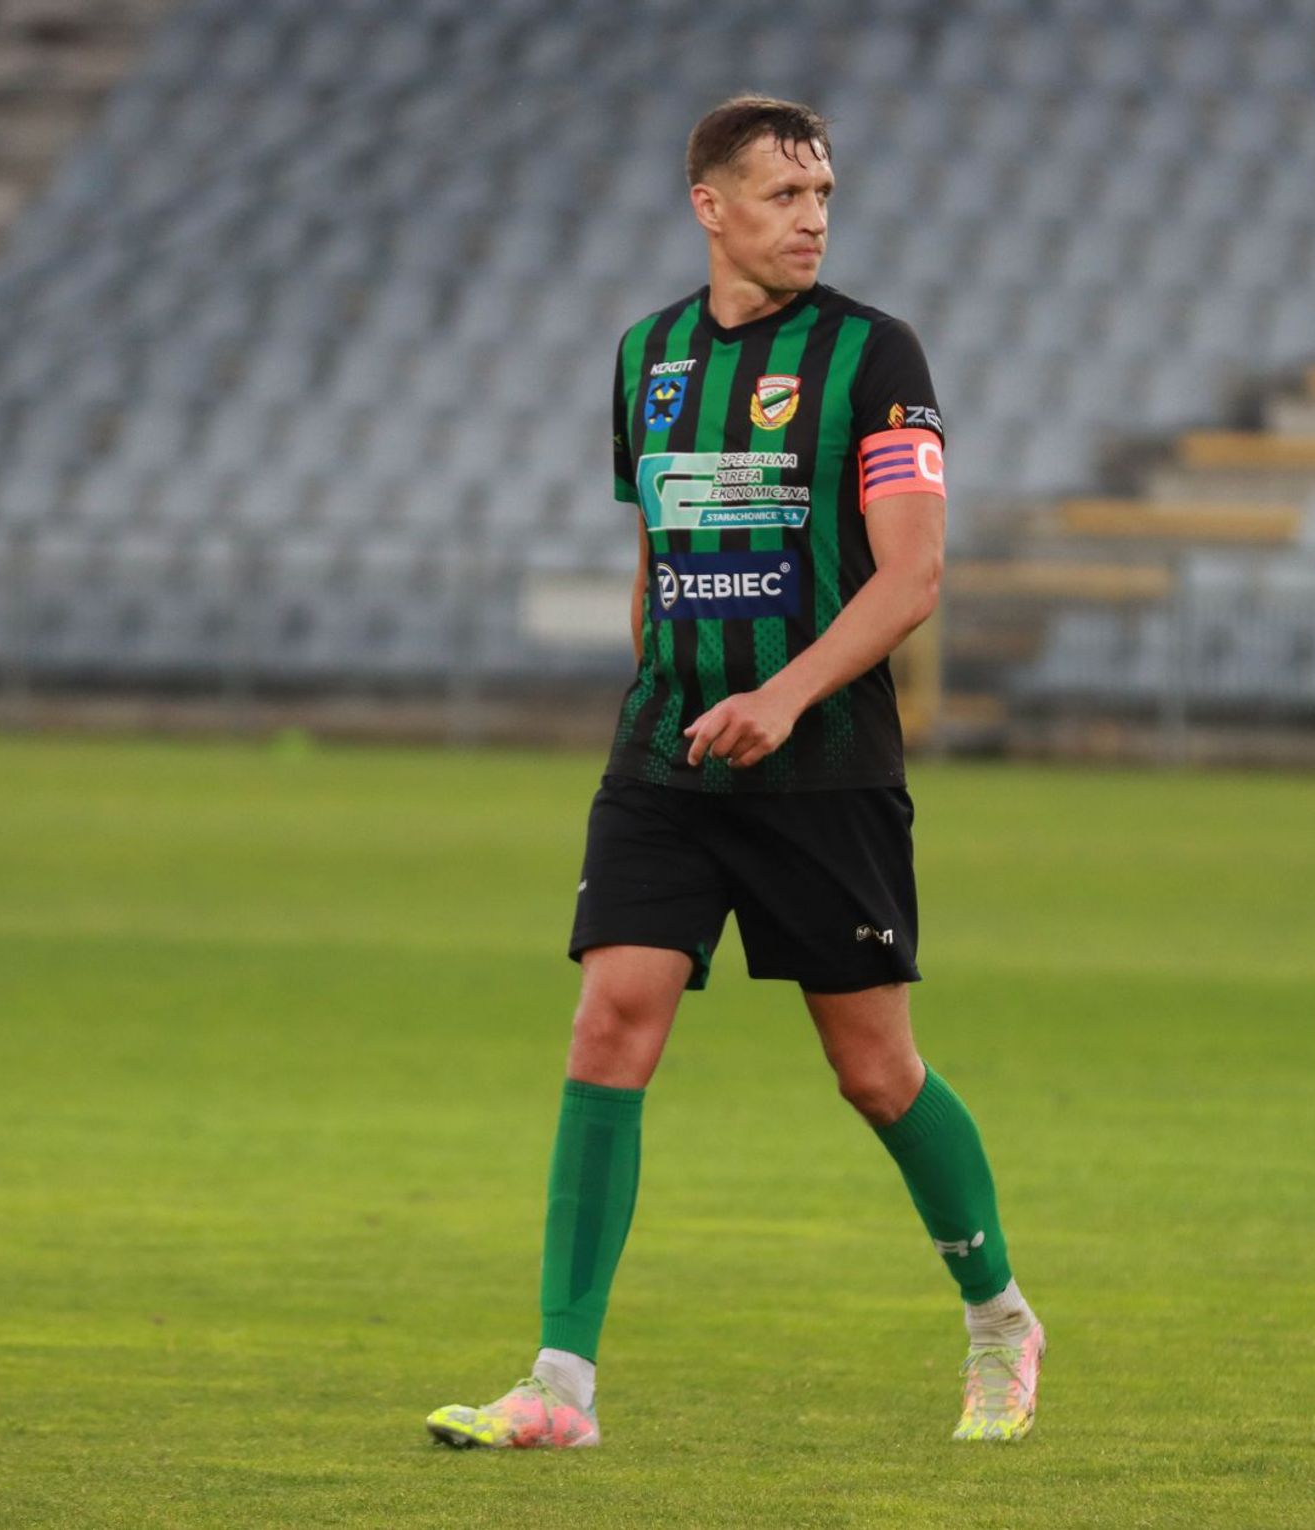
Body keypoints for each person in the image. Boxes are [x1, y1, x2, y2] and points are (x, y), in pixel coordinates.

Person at [425, 95, 1043, 1451]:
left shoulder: (875, 354)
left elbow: (914, 574)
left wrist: (782, 694)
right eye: (783, 194)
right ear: (708, 205)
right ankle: (560, 1385)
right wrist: (668, 690)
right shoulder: (644, 356)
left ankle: (999, 1316)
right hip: (668, 754)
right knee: (610, 1021)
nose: (812, 218)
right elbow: (657, 551)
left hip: (822, 762)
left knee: (873, 1070)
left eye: (823, 194)